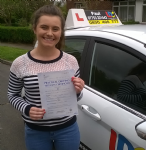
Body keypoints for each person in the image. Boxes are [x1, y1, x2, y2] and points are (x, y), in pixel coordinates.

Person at [7, 5, 84, 150]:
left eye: (55, 29)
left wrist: (78, 91)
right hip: (36, 131)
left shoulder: (71, 61)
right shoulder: (20, 63)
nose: (49, 33)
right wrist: (27, 108)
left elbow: (77, 98)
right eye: (44, 27)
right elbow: (12, 95)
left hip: (68, 129)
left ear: (61, 32)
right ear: (35, 29)